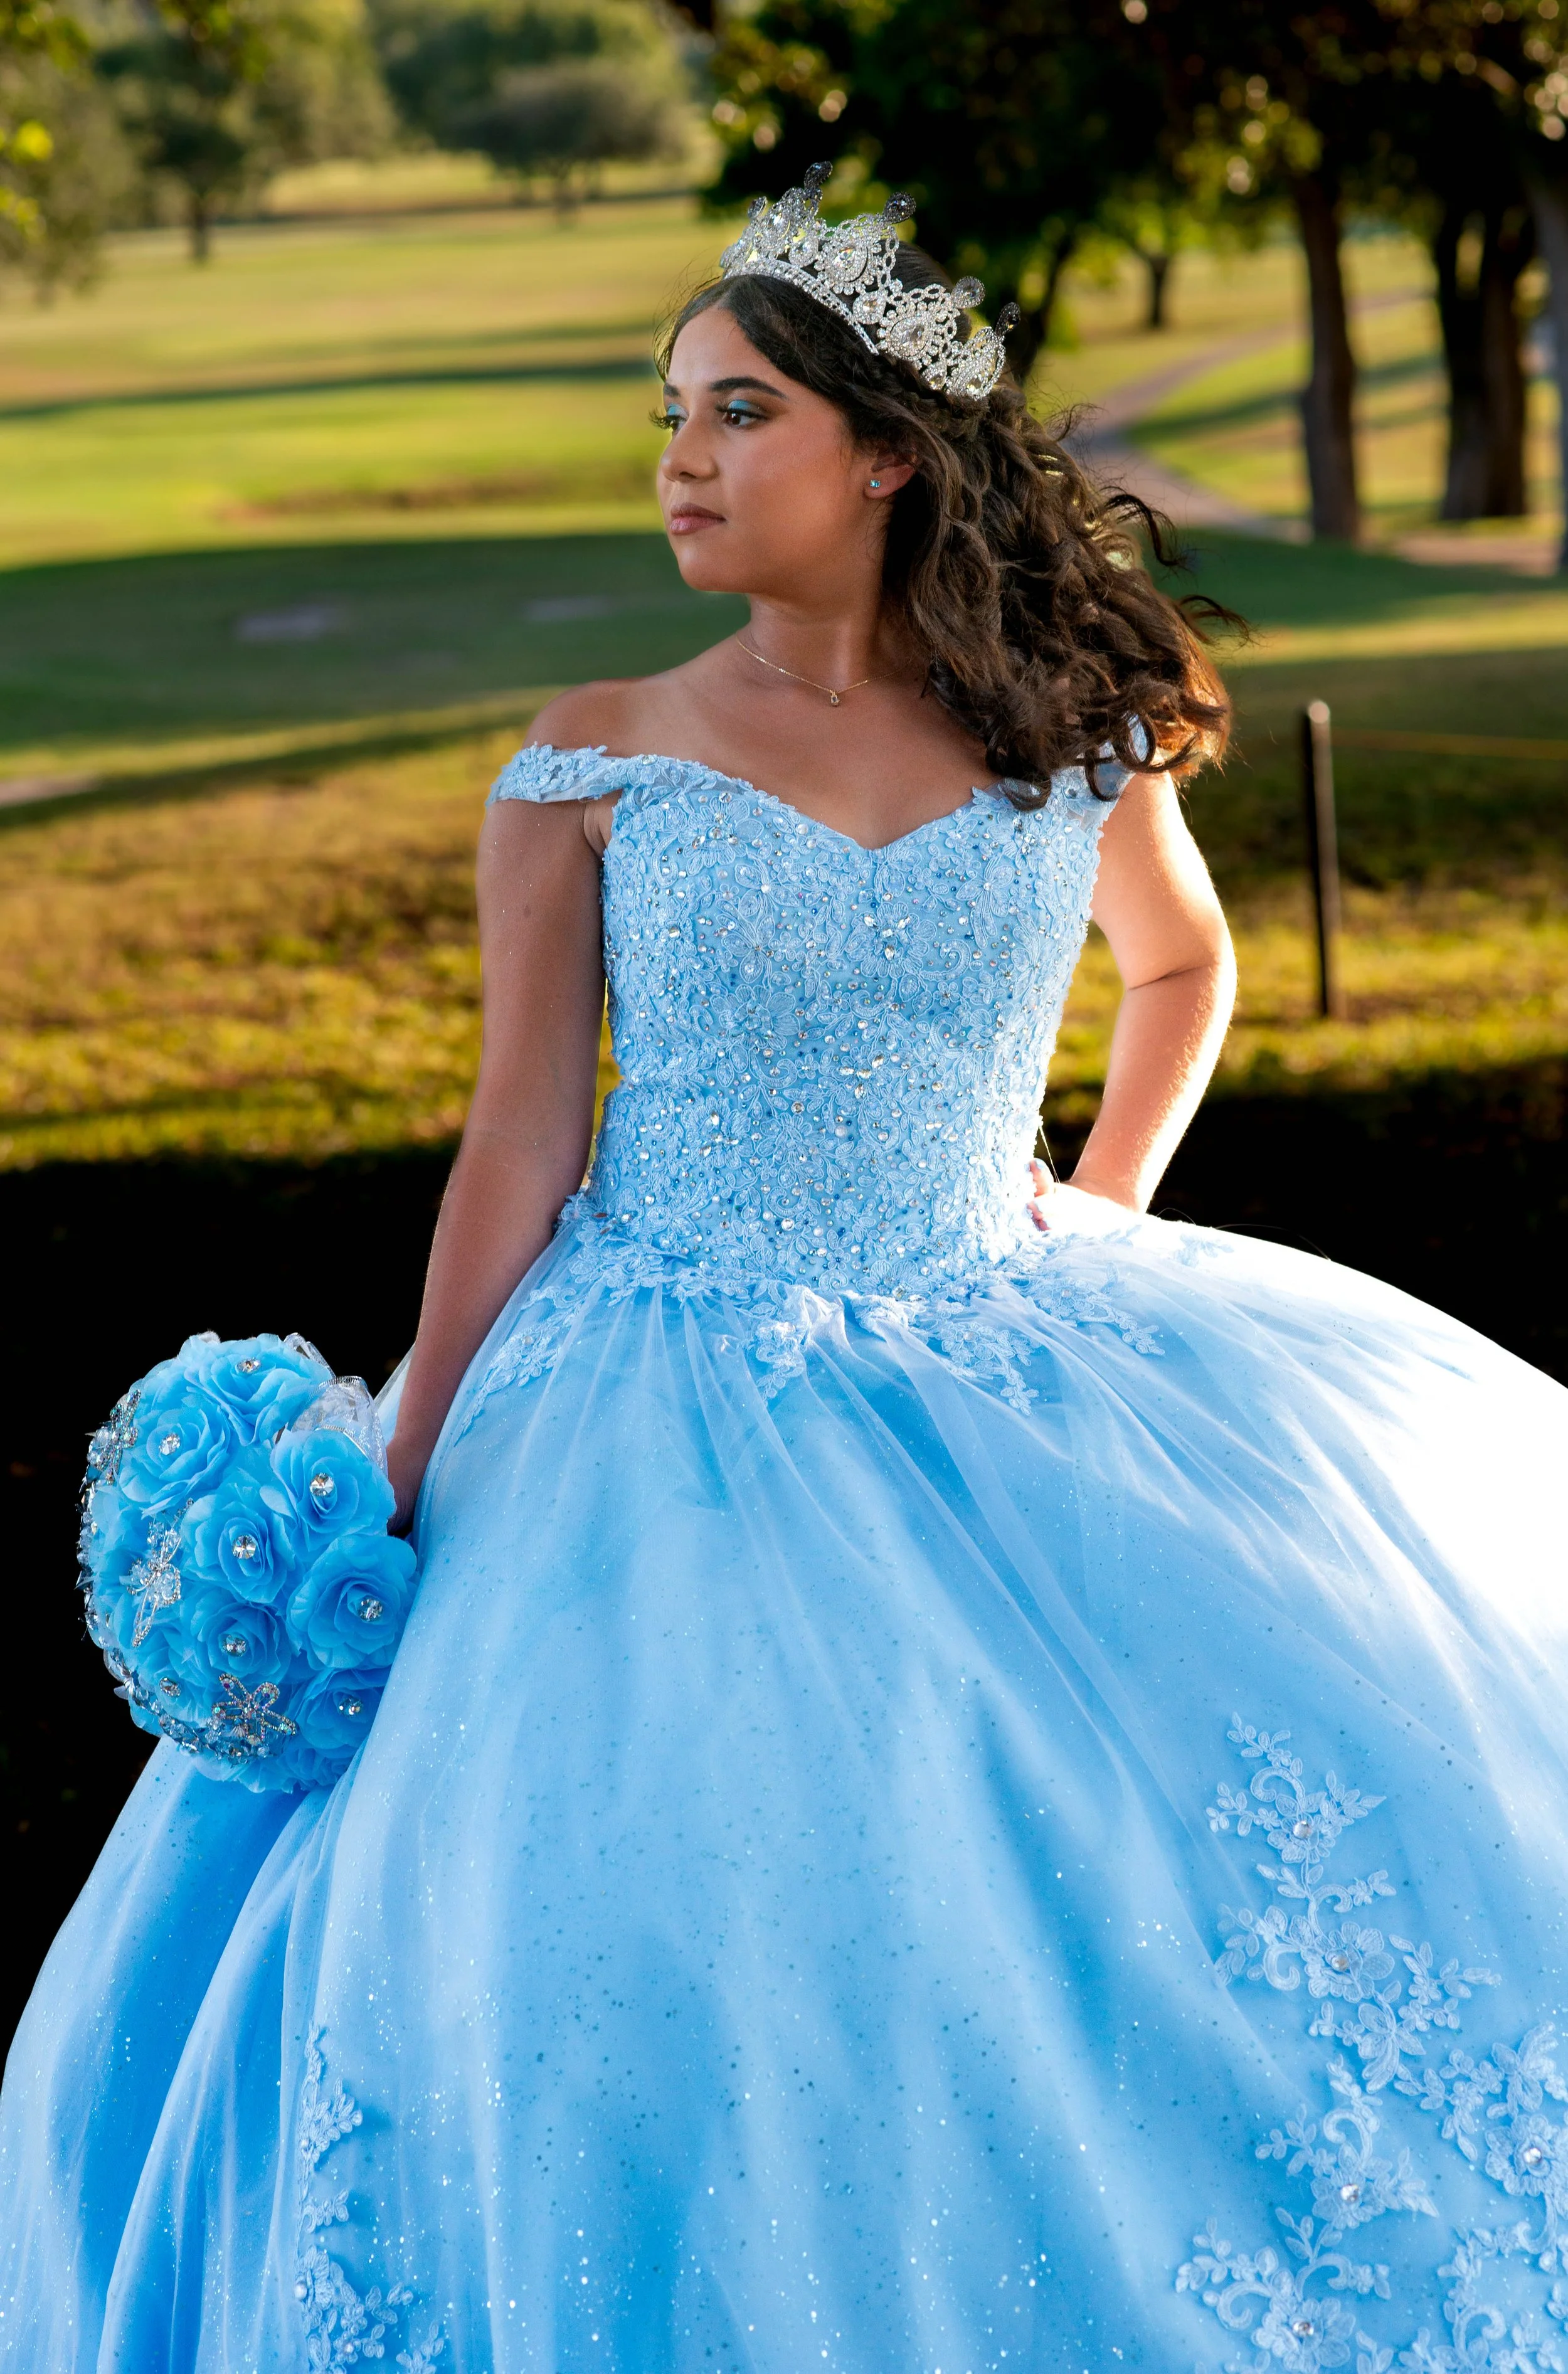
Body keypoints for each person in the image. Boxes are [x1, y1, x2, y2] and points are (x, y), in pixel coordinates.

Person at [2, 168, 1565, 2374]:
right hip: (645, 1392)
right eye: (669, 416)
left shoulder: (1060, 733)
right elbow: (520, 1137)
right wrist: (410, 1449)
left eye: (737, 414)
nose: (679, 461)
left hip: (1013, 1348)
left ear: (887, 449)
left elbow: (1184, 965)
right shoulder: (597, 752)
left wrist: (1098, 1209)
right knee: (657, 1934)